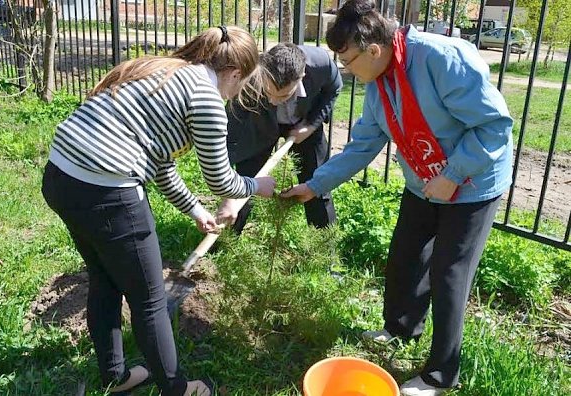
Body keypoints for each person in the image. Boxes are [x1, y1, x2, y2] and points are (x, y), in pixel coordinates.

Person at [281, 1, 513, 395]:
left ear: (373, 49)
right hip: (424, 180)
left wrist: (453, 174)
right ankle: (401, 329)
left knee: (449, 273)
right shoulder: (381, 83)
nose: (346, 72)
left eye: (348, 62)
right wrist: (315, 184)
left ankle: (441, 375)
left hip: (473, 179)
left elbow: (494, 126)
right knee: (407, 254)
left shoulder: (440, 59)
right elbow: (364, 145)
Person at [41, 26, 276, 396]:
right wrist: (256, 186)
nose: (237, 94)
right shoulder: (207, 97)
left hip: (61, 177)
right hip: (107, 189)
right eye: (241, 84)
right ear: (233, 74)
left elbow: (158, 160)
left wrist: (195, 210)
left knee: (104, 278)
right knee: (149, 299)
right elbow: (221, 180)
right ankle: (178, 388)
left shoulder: (164, 71)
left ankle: (116, 377)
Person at [216, 43, 342, 232]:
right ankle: (227, 243)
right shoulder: (249, 79)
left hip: (304, 123)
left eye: (283, 95)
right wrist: (229, 194)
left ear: (301, 77)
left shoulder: (321, 64)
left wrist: (310, 125)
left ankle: (323, 245)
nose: (274, 100)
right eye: (269, 93)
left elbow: (334, 89)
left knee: (317, 183)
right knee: (247, 180)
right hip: (260, 127)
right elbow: (231, 134)